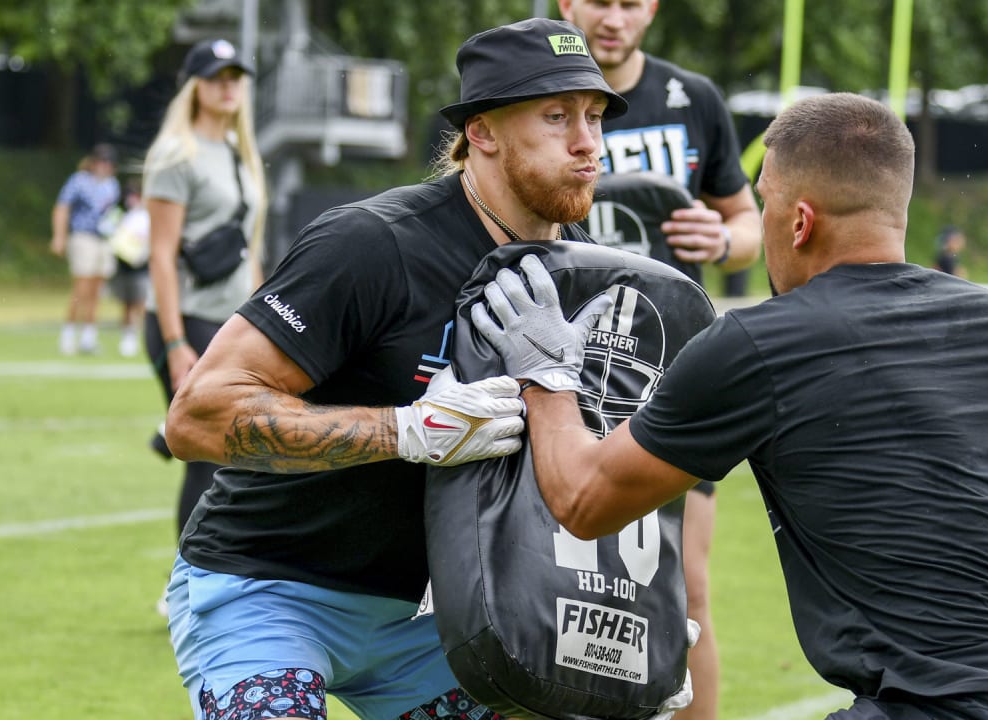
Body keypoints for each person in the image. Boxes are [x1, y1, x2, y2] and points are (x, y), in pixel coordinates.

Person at [471, 92, 988, 720]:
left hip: (949, 706)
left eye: (765, 201)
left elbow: (584, 499)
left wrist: (546, 372)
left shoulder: (762, 343)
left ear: (799, 221)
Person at [161, 19, 688, 720]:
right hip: (269, 587)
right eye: (556, 116)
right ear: (484, 133)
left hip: (433, 617)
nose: (588, 142)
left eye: (593, 116)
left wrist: (635, 623)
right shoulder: (372, 244)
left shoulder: (587, 273)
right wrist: (410, 432)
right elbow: (196, 417)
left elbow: (582, 460)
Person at [556, 3, 761, 714]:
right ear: (566, 5)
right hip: (561, 376)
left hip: (676, 377)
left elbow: (747, 226)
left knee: (683, 585)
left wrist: (723, 238)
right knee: (553, 583)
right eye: (599, 1)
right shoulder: (538, 97)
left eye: (630, 2)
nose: (613, 18)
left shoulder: (693, 98)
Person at [142, 38, 267, 575]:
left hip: (231, 322)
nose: (228, 85)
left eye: (235, 76)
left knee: (235, 453)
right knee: (209, 456)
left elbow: (249, 251)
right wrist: (175, 343)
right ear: (195, 87)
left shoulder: (242, 155)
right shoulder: (176, 155)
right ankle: (188, 583)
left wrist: (264, 319)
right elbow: (162, 256)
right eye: (217, 76)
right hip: (188, 318)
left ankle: (212, 572)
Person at [51, 143, 120, 355]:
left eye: (108, 162)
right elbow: (62, 207)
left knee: (96, 290)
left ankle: (89, 336)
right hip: (83, 237)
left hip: (103, 240)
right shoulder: (79, 181)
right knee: (81, 287)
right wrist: (59, 236)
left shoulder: (112, 185)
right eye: (101, 161)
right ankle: (69, 332)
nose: (104, 166)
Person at [102, 178, 151, 358]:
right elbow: (107, 230)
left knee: (141, 302)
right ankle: (127, 336)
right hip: (123, 265)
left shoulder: (147, 215)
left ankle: (140, 335)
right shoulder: (121, 214)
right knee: (127, 303)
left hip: (140, 266)